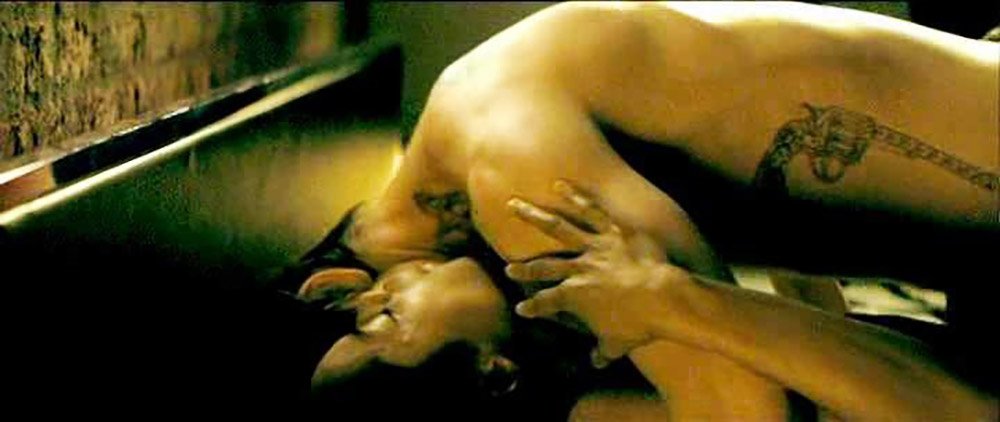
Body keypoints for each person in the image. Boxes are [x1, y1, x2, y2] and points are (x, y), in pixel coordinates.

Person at [290, 1, 998, 420]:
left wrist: (664, 310)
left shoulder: (507, 173)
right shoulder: (471, 107)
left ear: (341, 286)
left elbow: (749, 413)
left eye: (376, 315)